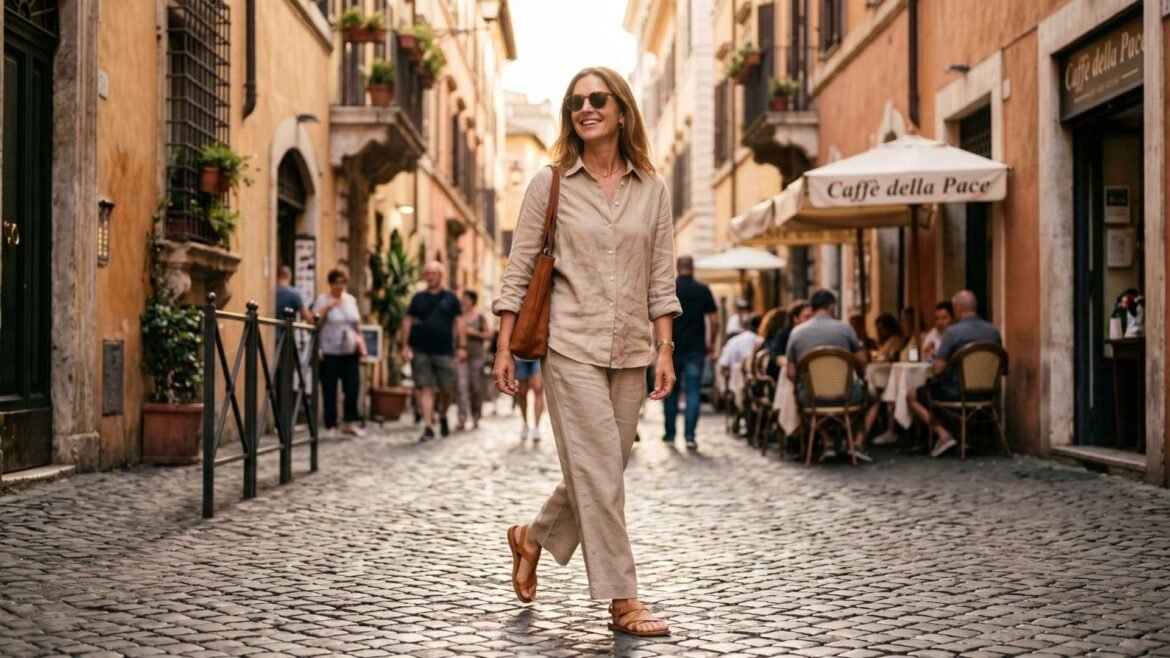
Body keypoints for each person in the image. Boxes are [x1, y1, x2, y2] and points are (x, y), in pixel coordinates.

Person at [492, 66, 679, 637]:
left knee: (601, 469)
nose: (586, 108)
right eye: (576, 101)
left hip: (630, 350)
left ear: (621, 110)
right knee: (601, 475)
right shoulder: (550, 184)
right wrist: (504, 347)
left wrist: (664, 348)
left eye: (598, 99)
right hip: (569, 345)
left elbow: (661, 278)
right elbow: (520, 268)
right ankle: (623, 599)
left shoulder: (653, 188)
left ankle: (532, 537)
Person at [907, 290, 1002, 458]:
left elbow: (937, 369)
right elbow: (1004, 369)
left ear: (957, 308)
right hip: (988, 394)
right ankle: (964, 438)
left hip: (957, 393)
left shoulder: (953, 333)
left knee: (912, 395)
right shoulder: (993, 331)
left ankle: (943, 435)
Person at [785, 289, 870, 461]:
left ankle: (827, 441)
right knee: (873, 399)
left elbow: (791, 373)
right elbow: (863, 361)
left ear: (812, 307)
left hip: (811, 399)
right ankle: (858, 442)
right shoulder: (845, 329)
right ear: (832, 307)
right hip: (846, 397)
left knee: (805, 404)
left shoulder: (796, 332)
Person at [401, 262, 467, 442]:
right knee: (425, 387)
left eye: (433, 273)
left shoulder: (451, 298)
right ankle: (428, 426)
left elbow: (459, 322)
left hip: (445, 350)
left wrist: (462, 346)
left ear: (441, 275)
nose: (430, 276)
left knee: (447, 389)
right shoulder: (418, 298)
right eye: (427, 273)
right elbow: (407, 320)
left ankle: (443, 414)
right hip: (422, 350)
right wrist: (405, 346)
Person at [663, 256, 718, 450]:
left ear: (677, 268)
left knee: (670, 392)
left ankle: (670, 434)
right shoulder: (703, 289)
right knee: (693, 391)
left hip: (672, 348)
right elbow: (714, 320)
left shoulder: (670, 288)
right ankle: (689, 436)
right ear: (692, 268)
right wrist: (711, 342)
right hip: (696, 348)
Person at [312, 269, 366, 437]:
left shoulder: (351, 300)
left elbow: (356, 325)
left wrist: (361, 344)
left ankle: (349, 422)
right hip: (329, 350)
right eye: (337, 282)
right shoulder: (323, 300)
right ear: (331, 283)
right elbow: (315, 321)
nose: (340, 286)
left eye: (343, 282)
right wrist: (327, 307)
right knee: (329, 388)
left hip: (350, 350)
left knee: (352, 386)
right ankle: (330, 424)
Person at [863, 312, 906, 446]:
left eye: (882, 328)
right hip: (881, 373)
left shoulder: (895, 340)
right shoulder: (882, 342)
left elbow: (891, 357)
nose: (879, 331)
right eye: (878, 328)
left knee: (876, 391)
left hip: (888, 373)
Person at [455, 290, 488, 432]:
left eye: (467, 298)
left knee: (475, 387)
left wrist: (475, 333)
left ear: (473, 300)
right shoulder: (458, 315)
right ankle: (462, 419)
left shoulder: (479, 317)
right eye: (463, 298)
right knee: (461, 387)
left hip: (476, 356)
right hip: (461, 355)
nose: (464, 301)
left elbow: (488, 334)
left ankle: (476, 416)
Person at [769, 300, 812, 374]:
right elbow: (776, 358)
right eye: (806, 317)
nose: (810, 321)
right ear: (795, 318)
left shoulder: (813, 334)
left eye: (812, 317)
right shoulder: (784, 334)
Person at [515, 357, 545, 441]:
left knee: (538, 389)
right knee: (522, 393)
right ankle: (525, 424)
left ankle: (536, 427)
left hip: (539, 355)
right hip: (521, 356)